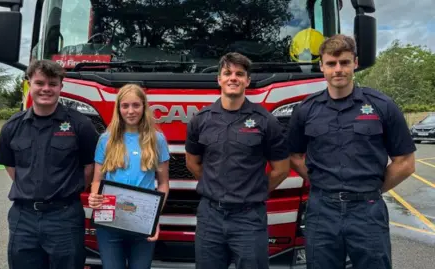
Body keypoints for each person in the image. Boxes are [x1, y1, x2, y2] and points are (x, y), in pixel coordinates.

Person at [288, 34, 416, 269]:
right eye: (331, 63)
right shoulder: (306, 110)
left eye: (344, 62)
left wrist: (373, 189)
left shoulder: (382, 105)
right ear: (322, 67)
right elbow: (294, 157)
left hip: (367, 210)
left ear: (355, 63)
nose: (338, 69)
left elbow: (405, 162)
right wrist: (318, 181)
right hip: (322, 211)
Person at [185, 52, 291, 269]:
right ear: (219, 79)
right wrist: (216, 185)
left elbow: (281, 169)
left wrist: (252, 190)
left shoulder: (265, 121)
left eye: (239, 74)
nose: (233, 78)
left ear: (247, 81)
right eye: (227, 73)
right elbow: (192, 163)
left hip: (249, 218)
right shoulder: (201, 120)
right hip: (210, 217)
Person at [0, 59, 100, 269]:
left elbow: (90, 168)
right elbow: (11, 167)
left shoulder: (81, 125)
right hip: (23, 218)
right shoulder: (12, 127)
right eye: (40, 83)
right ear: (29, 84)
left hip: (64, 217)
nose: (46, 89)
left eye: (52, 84)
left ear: (61, 86)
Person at [88, 83, 170, 269]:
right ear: (118, 108)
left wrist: (154, 218)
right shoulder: (106, 139)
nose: (131, 111)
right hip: (109, 221)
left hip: (142, 222)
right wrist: (95, 197)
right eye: (125, 106)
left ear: (144, 107)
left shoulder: (157, 140)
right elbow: (97, 181)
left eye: (136, 105)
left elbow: (164, 184)